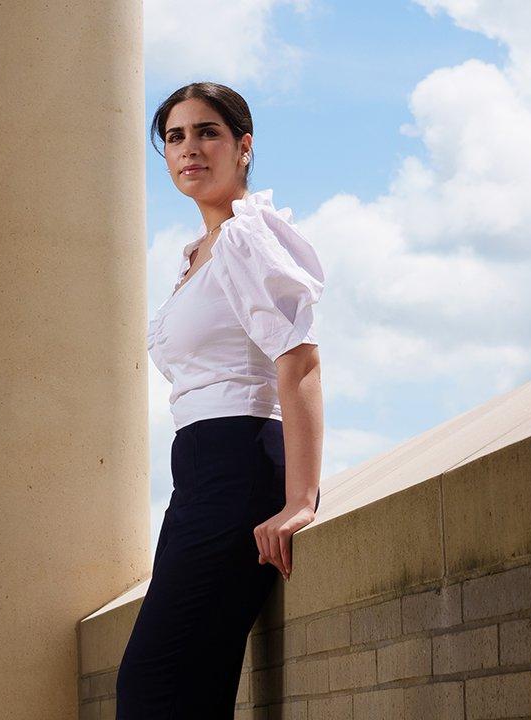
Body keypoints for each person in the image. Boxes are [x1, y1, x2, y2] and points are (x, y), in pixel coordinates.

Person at [116, 81, 326, 718]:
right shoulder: (197, 256)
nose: (189, 149)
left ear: (244, 146)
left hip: (239, 465)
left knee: (153, 687)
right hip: (198, 474)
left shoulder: (246, 237)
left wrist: (301, 498)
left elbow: (299, 360)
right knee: (184, 687)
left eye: (207, 132)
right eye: (175, 137)